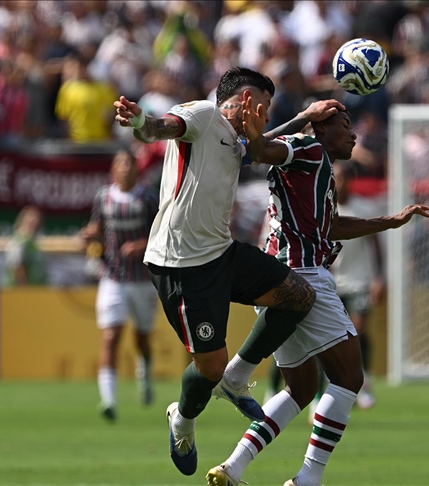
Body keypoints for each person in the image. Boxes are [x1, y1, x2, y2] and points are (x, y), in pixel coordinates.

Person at [113, 66, 344, 477]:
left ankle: (237, 379)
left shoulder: (237, 139)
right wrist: (138, 122)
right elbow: (161, 128)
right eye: (264, 105)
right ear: (243, 100)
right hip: (181, 264)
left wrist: (304, 117)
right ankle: (182, 419)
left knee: (299, 297)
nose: (267, 115)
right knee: (210, 368)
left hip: (221, 252)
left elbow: (262, 145)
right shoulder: (204, 115)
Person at [206, 103, 429, 486]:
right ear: (322, 128)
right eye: (345, 125)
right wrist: (300, 118)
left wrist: (390, 222)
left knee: (302, 388)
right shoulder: (308, 148)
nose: (354, 135)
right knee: (349, 378)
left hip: (279, 279)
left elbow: (332, 226)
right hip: (304, 275)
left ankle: (233, 466)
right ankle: (308, 477)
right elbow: (258, 151)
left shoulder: (317, 165)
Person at [80, 151, 159, 422]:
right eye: (120, 164)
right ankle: (109, 400)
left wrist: (141, 245)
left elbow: (163, 234)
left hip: (143, 279)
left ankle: (144, 374)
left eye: (129, 163)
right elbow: (97, 227)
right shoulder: (103, 197)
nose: (125, 168)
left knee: (142, 338)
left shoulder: (148, 199)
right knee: (110, 336)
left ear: (137, 169)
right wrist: (89, 234)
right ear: (113, 169)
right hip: (112, 276)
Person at [328, 160, 384, 409]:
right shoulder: (324, 209)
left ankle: (365, 383)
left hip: (359, 281)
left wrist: (379, 277)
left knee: (359, 331)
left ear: (350, 180)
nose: (338, 183)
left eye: (342, 178)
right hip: (332, 283)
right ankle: (340, 386)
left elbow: (376, 245)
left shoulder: (363, 207)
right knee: (332, 338)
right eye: (334, 178)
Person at [1, 206, 46, 287]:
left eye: (35, 221)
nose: (33, 223)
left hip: (36, 289)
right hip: (19, 290)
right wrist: (23, 286)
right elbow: (16, 265)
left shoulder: (32, 242)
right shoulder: (17, 240)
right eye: (30, 221)